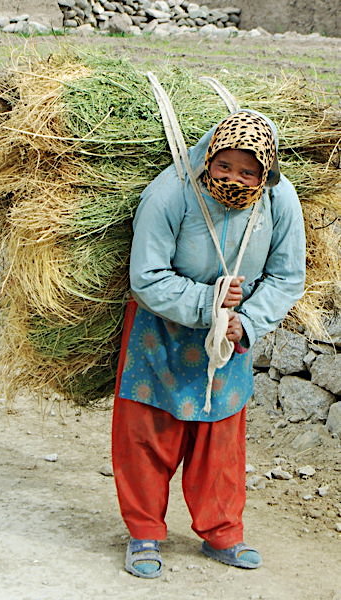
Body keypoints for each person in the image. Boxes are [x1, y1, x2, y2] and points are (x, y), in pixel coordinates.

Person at [112, 109, 306, 578]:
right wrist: (209, 302)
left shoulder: (280, 200)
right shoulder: (169, 192)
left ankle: (223, 533)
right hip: (161, 327)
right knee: (146, 433)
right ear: (208, 158)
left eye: (248, 171)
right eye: (224, 166)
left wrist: (247, 320)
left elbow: (286, 274)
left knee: (221, 438)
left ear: (266, 171)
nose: (234, 178)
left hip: (231, 333)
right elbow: (147, 276)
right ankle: (144, 533)